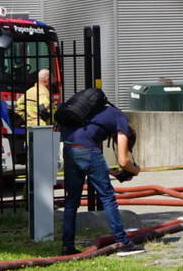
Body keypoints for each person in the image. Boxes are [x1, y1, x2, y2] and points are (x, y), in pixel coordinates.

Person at [60, 98, 144, 257]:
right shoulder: (122, 120)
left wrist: (112, 173)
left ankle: (67, 246)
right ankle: (123, 243)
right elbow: (123, 160)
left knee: (71, 201)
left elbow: (88, 153)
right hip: (86, 151)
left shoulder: (99, 112)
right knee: (107, 197)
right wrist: (135, 170)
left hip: (69, 148)